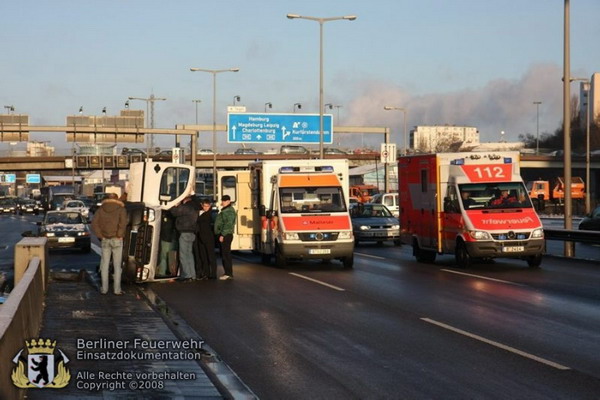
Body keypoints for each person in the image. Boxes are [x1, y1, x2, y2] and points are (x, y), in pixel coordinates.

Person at [91, 193, 128, 295]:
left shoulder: (101, 210)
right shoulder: (121, 209)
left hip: (105, 239)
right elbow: (123, 223)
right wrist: (120, 234)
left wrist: (100, 235)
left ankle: (104, 289)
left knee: (105, 265)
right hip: (117, 239)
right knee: (117, 266)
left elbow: (94, 224)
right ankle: (117, 290)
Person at [170, 195, 198, 282]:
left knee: (183, 255)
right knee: (189, 254)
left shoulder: (186, 207)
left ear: (186, 199)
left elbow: (174, 212)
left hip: (184, 232)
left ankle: (186, 275)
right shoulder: (194, 207)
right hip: (192, 233)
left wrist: (174, 205)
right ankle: (192, 275)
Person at [214, 195, 236, 280]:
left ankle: (228, 273)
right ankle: (227, 272)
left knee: (226, 254)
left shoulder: (229, 211)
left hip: (226, 235)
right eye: (222, 200)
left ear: (228, 201)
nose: (222, 202)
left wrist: (222, 235)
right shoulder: (225, 210)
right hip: (224, 234)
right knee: (224, 254)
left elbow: (228, 224)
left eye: (224, 201)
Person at [196, 199, 217, 280]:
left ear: (210, 206)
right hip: (201, 237)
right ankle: (206, 273)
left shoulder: (210, 214)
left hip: (209, 238)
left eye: (207, 206)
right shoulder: (201, 212)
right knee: (203, 256)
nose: (206, 208)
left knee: (211, 256)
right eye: (204, 206)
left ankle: (213, 274)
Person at [156, 210, 176, 278]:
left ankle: (162, 271)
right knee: (171, 256)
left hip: (166, 238)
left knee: (163, 256)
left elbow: (164, 228)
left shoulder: (165, 216)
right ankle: (171, 271)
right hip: (173, 238)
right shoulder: (175, 216)